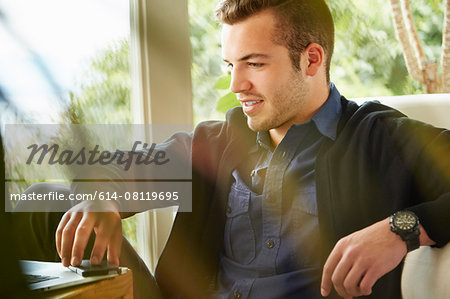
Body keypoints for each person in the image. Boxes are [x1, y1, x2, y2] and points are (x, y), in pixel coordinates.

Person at [14, 0, 450, 298]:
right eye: (230, 66)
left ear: (312, 60)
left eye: (254, 64)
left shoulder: (380, 137)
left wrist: (401, 228)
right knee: (41, 202)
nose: (236, 85)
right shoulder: (216, 141)